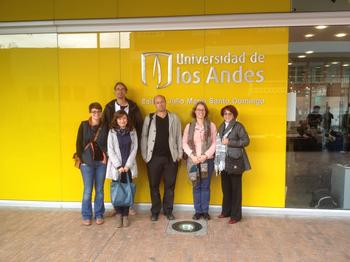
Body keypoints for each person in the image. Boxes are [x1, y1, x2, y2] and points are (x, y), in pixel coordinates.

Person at [141, 95, 182, 221]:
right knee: (154, 186)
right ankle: (155, 211)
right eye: (157, 103)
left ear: (165, 102)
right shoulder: (149, 118)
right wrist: (145, 156)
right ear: (155, 104)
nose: (160, 104)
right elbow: (144, 137)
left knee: (170, 186)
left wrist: (179, 154)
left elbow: (178, 136)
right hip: (153, 158)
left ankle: (168, 211)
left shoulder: (174, 118)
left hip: (170, 158)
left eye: (162, 102)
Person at [103, 81, 142, 216]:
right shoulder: (109, 107)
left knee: (128, 182)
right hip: (115, 147)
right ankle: (117, 206)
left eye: (122, 89)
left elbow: (139, 124)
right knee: (117, 181)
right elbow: (104, 126)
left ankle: (129, 206)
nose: (120, 91)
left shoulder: (133, 106)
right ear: (115, 91)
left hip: (128, 145)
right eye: (117, 89)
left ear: (126, 91)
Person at [215, 105, 251, 224]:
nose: (227, 116)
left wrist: (230, 142)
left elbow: (246, 141)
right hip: (223, 161)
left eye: (229, 113)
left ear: (234, 115)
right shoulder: (221, 126)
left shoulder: (238, 126)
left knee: (236, 190)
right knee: (226, 188)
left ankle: (236, 216)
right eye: (225, 113)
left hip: (235, 160)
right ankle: (226, 211)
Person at [183, 101, 217, 220]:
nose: (200, 112)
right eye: (198, 109)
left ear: (205, 112)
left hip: (206, 161)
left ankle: (205, 211)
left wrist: (205, 156)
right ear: (195, 111)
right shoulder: (189, 126)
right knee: (196, 186)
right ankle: (198, 211)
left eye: (203, 110)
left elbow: (214, 143)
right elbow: (184, 143)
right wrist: (192, 156)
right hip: (193, 161)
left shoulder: (211, 125)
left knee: (205, 186)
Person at [75, 102, 108, 226]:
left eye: (99, 111)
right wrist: (82, 160)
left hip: (101, 163)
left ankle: (99, 214)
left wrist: (106, 156)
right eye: (94, 112)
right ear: (90, 112)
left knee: (99, 189)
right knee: (88, 190)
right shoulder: (84, 125)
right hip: (87, 163)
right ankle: (86, 215)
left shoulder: (105, 126)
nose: (96, 114)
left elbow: (108, 143)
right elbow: (78, 143)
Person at [106, 110, 138, 228]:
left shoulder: (132, 131)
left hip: (128, 167)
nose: (122, 121)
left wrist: (127, 166)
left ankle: (125, 215)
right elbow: (110, 150)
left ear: (127, 119)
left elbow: (135, 149)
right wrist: (119, 166)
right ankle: (119, 215)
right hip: (117, 168)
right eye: (119, 119)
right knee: (118, 191)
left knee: (127, 191)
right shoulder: (112, 132)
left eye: (124, 118)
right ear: (116, 120)